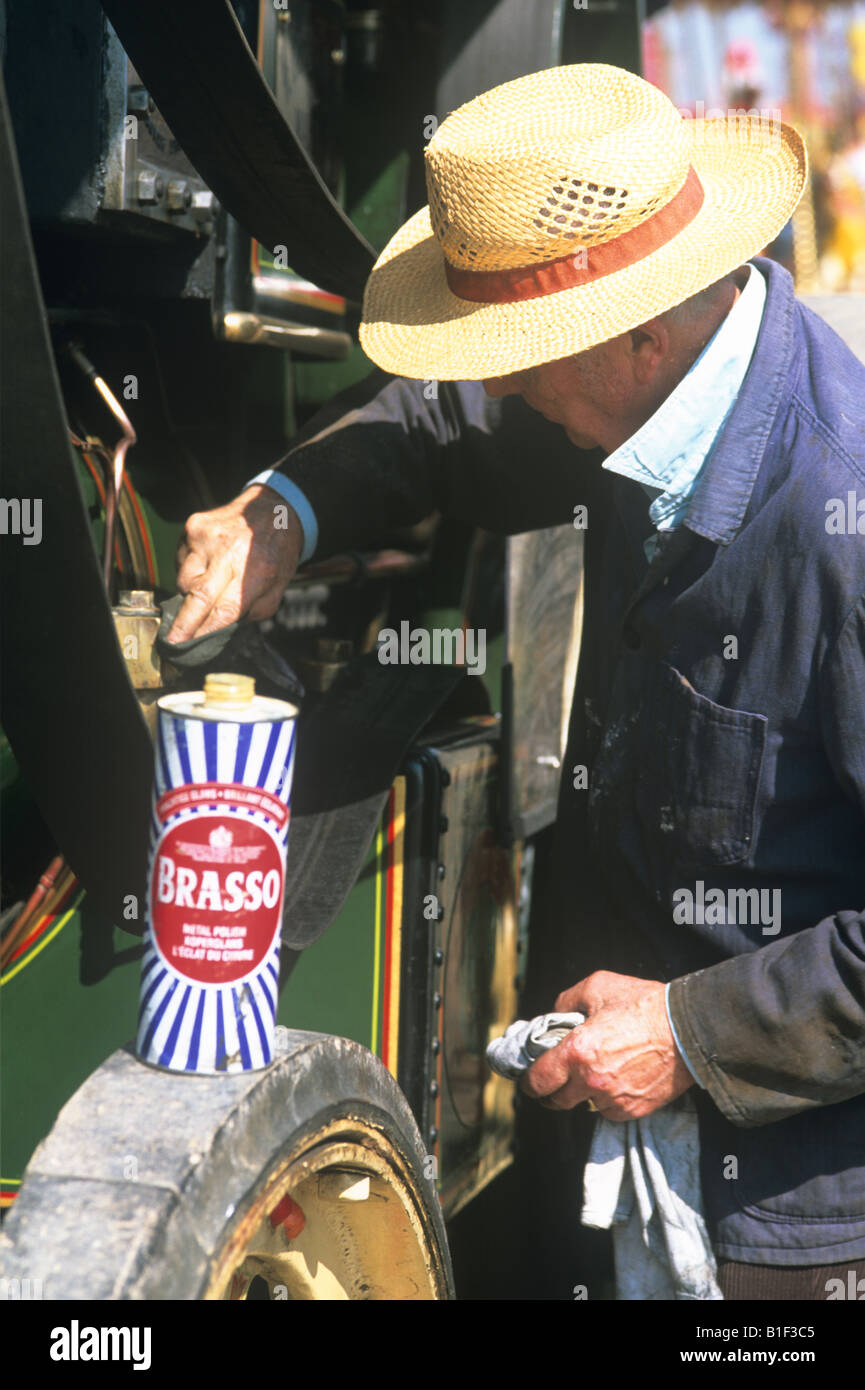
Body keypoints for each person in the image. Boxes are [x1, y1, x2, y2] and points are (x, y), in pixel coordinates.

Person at [167, 65, 865, 1299]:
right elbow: (442, 425)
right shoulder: (651, 382)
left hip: (789, 1228)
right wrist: (284, 509)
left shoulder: (838, 522)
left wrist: (692, 1035)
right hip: (620, 1149)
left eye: (515, 356)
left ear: (634, 334)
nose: (494, 384)